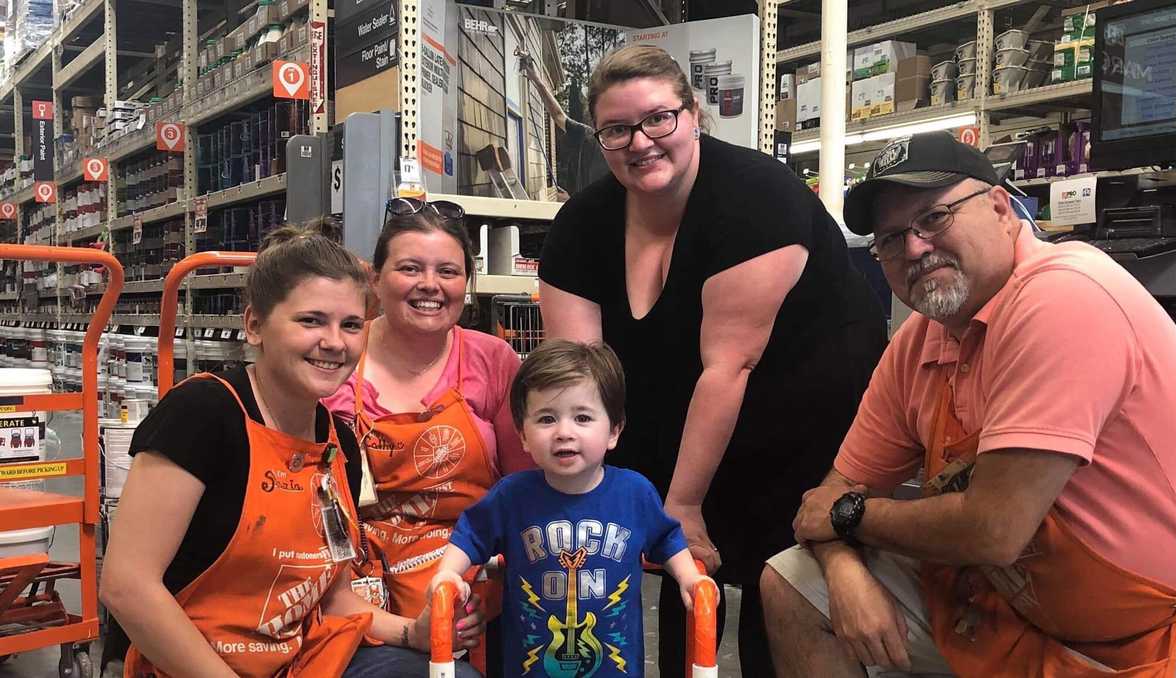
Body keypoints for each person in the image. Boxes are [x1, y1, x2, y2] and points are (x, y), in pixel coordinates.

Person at [763, 131, 1176, 677]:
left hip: (1142, 634)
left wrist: (850, 518)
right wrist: (844, 569)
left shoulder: (1064, 298)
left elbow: (992, 530)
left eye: (934, 218)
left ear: (999, 207)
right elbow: (831, 495)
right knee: (795, 583)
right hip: (1007, 606)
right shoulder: (920, 341)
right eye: (892, 239)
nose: (915, 248)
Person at [536, 44, 888, 676]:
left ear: (694, 115)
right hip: (680, 406)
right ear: (600, 138)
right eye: (617, 129)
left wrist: (686, 506)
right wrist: (595, 492)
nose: (640, 142)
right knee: (678, 587)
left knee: (775, 582)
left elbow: (730, 367)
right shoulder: (581, 225)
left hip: (803, 408)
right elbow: (578, 375)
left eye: (659, 119)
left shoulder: (757, 197)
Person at [100, 226, 482, 678]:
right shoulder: (204, 415)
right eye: (311, 320)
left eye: (351, 325)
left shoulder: (339, 443)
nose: (335, 342)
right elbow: (127, 586)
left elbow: (334, 599)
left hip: (297, 660)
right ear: (255, 325)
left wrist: (412, 633)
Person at [323, 197, 536, 673]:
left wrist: (491, 590)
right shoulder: (335, 360)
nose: (430, 286)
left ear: (467, 283)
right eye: (410, 268)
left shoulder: (494, 360)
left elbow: (523, 496)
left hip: (474, 587)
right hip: (355, 592)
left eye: (448, 271)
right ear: (374, 279)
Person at [428, 339, 716, 677]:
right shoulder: (511, 496)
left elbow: (667, 538)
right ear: (522, 435)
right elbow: (471, 535)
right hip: (531, 668)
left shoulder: (633, 493)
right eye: (547, 419)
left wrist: (688, 578)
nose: (564, 432)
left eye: (582, 417)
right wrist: (447, 572)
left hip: (615, 669)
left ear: (614, 431)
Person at [519, 50, 610, 198]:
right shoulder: (586, 135)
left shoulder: (622, 151)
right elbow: (557, 115)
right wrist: (536, 80)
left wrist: (571, 201)